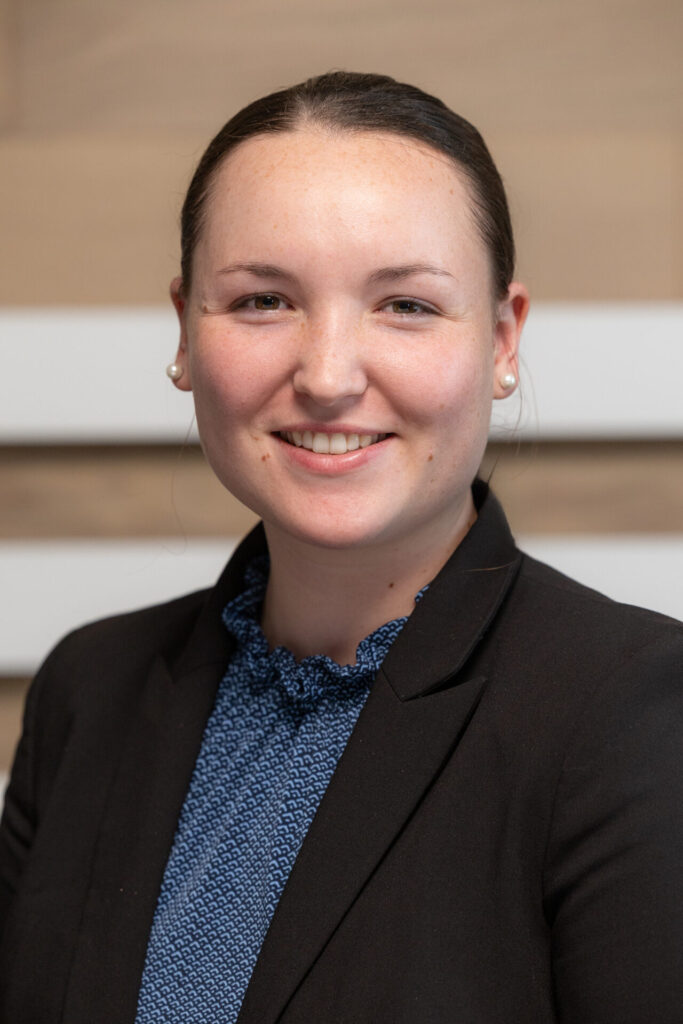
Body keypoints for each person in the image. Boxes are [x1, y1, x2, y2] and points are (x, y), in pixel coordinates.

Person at [0, 71, 681, 1024]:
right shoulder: (89, 691)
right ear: (185, 331)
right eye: (262, 300)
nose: (326, 376)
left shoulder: (633, 712)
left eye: (404, 305)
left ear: (500, 340)